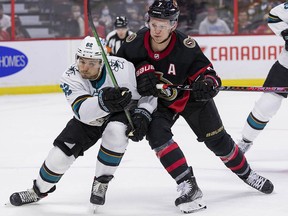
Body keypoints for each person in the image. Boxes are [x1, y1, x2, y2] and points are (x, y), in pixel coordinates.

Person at [117, 0, 274, 214]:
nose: (157, 30)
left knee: (219, 142)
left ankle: (247, 174)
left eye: (163, 25)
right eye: (154, 24)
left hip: (192, 99)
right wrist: (138, 73)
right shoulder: (134, 44)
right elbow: (116, 73)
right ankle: (188, 185)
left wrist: (208, 83)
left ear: (174, 24)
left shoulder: (185, 46)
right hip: (160, 103)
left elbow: (209, 74)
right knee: (156, 135)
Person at [9, 36, 157, 208]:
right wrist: (104, 100)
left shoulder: (123, 68)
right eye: (82, 62)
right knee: (59, 155)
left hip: (119, 114)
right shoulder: (70, 76)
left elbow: (149, 92)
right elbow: (83, 112)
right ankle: (37, 191)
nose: (84, 68)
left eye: (91, 63)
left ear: (102, 62)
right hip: (90, 119)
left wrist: (143, 113)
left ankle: (101, 182)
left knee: (115, 132)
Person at [238, 2, 288, 153]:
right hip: (286, 66)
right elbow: (274, 15)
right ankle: (245, 141)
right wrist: (286, 32)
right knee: (266, 105)